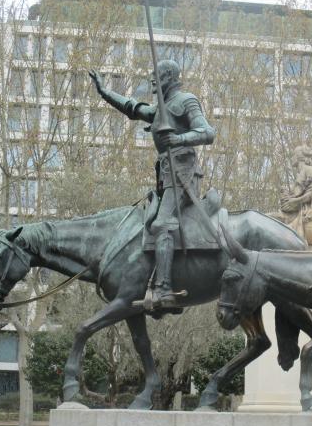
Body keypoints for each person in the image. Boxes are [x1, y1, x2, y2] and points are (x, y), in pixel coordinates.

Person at [89, 60, 216, 307]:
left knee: (161, 225)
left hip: (183, 175)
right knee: (146, 223)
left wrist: (179, 139)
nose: (152, 79)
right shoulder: (162, 108)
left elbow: (208, 133)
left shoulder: (186, 100)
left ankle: (164, 289)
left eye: (156, 75)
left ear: (169, 76)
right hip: (166, 176)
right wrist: (104, 92)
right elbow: (133, 107)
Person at [272, 145, 312, 239]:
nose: (292, 158)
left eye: (293, 155)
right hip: (293, 211)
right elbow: (297, 195)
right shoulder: (300, 173)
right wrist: (286, 195)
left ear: (299, 157)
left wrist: (296, 201)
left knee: (271, 219)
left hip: (303, 212)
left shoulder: (310, 170)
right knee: (269, 217)